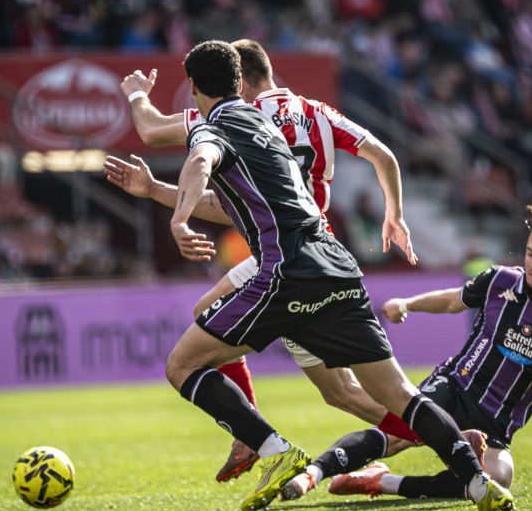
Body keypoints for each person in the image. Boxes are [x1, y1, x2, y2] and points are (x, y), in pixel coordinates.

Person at [134, 40, 513, 511]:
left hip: (283, 270)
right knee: (395, 394)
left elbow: (198, 160)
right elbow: (376, 155)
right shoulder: (290, 119)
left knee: (183, 363)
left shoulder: (217, 124)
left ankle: (270, 447)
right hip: (335, 262)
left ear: (193, 87)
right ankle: (480, 484)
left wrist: (178, 216)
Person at [106, 39, 419, 483]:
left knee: (200, 333)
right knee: (342, 391)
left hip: (280, 255)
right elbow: (383, 155)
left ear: (240, 82)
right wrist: (396, 216)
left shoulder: (237, 116)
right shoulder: (319, 113)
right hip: (322, 248)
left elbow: (153, 130)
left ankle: (252, 435)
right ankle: (430, 430)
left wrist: (137, 93)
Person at [283, 198, 532, 503]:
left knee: (498, 479)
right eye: (529, 253)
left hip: (496, 424)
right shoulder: (500, 280)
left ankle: (382, 483)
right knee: (397, 434)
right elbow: (453, 301)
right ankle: (314, 472)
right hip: (454, 387)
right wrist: (408, 302)